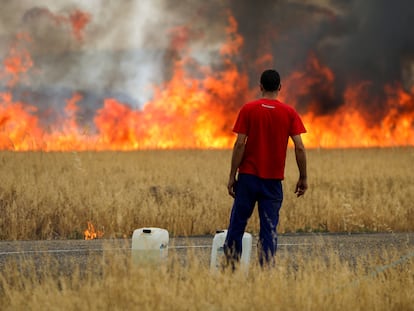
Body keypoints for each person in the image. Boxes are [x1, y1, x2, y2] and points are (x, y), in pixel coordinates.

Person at [223, 69, 307, 268]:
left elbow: (240, 143)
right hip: (273, 182)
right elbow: (300, 146)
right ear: (280, 87)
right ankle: (266, 271)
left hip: (248, 178)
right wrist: (303, 177)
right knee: (269, 229)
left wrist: (232, 175)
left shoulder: (248, 109)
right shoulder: (289, 113)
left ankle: (231, 269)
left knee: (237, 224)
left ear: (260, 86)